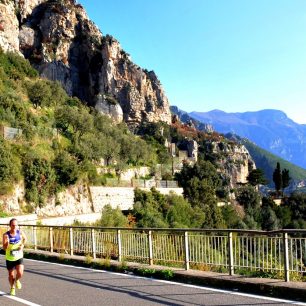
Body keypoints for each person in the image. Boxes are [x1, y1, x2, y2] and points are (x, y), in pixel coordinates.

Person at [2, 218, 27, 296]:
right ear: (10, 226)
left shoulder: (20, 232)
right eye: (13, 225)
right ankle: (12, 287)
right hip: (10, 257)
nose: (15, 227)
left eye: (16, 225)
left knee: (20, 272)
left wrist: (22, 246)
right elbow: (4, 248)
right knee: (11, 275)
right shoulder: (6, 235)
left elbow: (25, 239)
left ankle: (17, 280)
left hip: (19, 256)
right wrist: (7, 243)